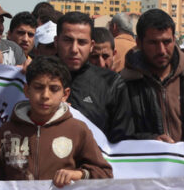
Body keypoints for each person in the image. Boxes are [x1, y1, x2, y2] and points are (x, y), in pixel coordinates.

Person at [0, 56, 111, 183]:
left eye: (54, 89)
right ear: (26, 90)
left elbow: (105, 173)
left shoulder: (78, 130)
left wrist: (79, 174)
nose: (45, 96)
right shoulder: (7, 131)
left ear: (65, 94)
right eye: (38, 87)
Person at [121, 9, 184, 149]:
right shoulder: (123, 85)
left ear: (174, 39)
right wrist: (150, 140)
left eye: (167, 42)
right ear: (139, 42)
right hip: (147, 166)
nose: (161, 50)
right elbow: (117, 132)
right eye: (153, 43)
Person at [55, 11, 134, 143]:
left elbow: (123, 139)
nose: (74, 49)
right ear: (56, 41)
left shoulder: (111, 83)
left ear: (91, 46)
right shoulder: (36, 75)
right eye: (68, 40)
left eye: (81, 42)